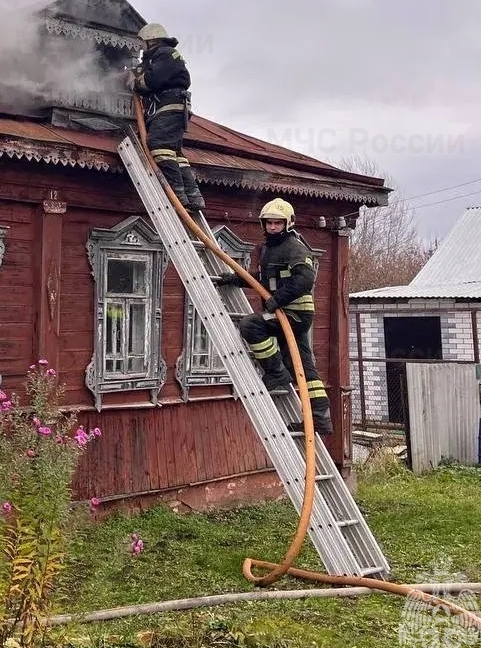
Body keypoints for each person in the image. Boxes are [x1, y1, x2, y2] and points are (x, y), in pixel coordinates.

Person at [212, 198, 333, 435]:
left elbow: (305, 279)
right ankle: (320, 418)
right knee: (303, 367)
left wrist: (277, 300)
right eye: (269, 223)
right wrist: (235, 279)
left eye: (278, 223)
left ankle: (276, 372)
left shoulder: (295, 247)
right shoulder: (269, 249)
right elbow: (264, 279)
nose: (273, 227)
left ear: (288, 223)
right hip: (286, 313)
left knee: (251, 325)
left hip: (294, 314)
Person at [129, 22, 205, 212]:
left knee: (158, 145)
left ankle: (177, 195)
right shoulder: (165, 56)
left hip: (168, 107)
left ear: (151, 40)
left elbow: (151, 80)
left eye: (143, 43)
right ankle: (193, 196)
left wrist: (136, 82)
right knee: (175, 153)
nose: (142, 47)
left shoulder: (163, 54)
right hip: (175, 108)